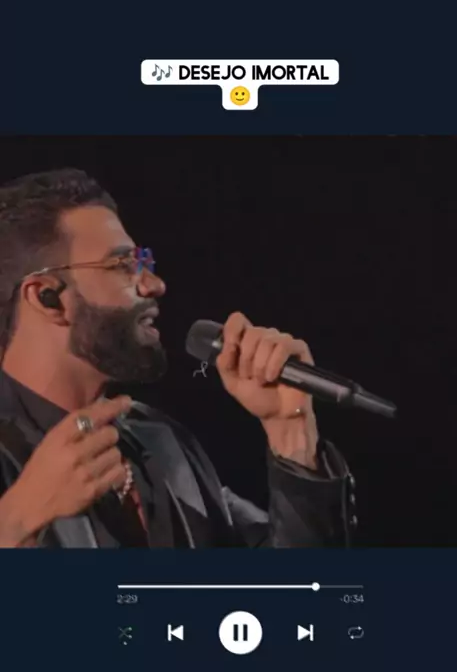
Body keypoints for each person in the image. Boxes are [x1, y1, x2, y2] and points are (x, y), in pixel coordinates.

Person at [0, 169, 357, 548]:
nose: (155, 284)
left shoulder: (164, 443)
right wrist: (17, 520)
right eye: (122, 265)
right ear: (47, 298)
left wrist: (290, 430)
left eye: (144, 261)